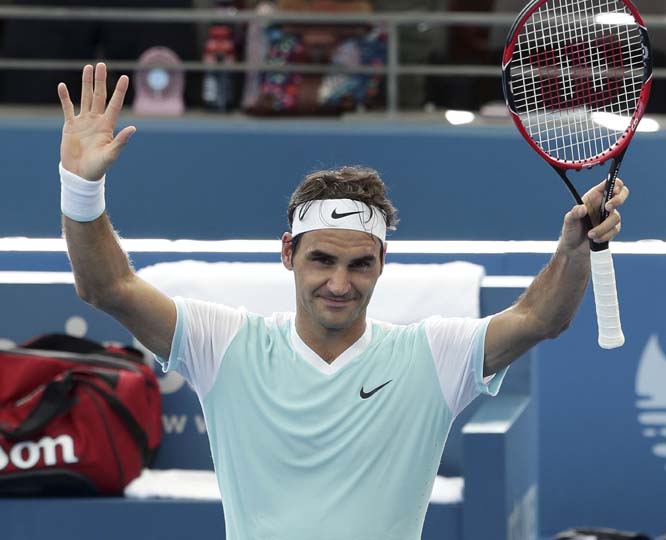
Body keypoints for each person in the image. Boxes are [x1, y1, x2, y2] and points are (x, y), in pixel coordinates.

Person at [58, 63, 628, 540]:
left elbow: (539, 318)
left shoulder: (433, 354)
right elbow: (106, 287)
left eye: (360, 264)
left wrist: (573, 248)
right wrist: (81, 189)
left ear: (382, 263)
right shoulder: (224, 342)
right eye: (322, 260)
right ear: (288, 253)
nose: (339, 283)